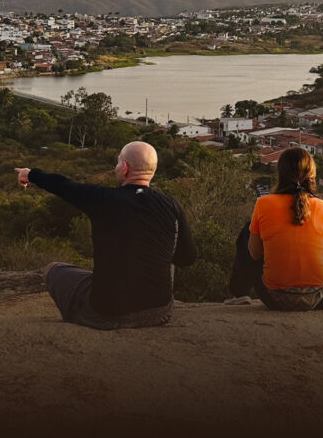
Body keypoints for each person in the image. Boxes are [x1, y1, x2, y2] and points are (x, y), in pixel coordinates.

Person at [14, 141, 195, 330]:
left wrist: (30, 174)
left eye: (118, 162)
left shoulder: (101, 198)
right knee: (166, 253)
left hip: (106, 315)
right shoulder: (172, 206)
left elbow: (63, 185)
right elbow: (186, 258)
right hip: (159, 313)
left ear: (124, 167)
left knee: (52, 270)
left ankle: (80, 319)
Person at [227, 147, 323, 311]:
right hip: (321, 299)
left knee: (248, 231)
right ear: (312, 176)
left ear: (281, 174)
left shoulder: (264, 204)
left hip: (275, 298)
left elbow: (254, 254)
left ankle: (238, 293)